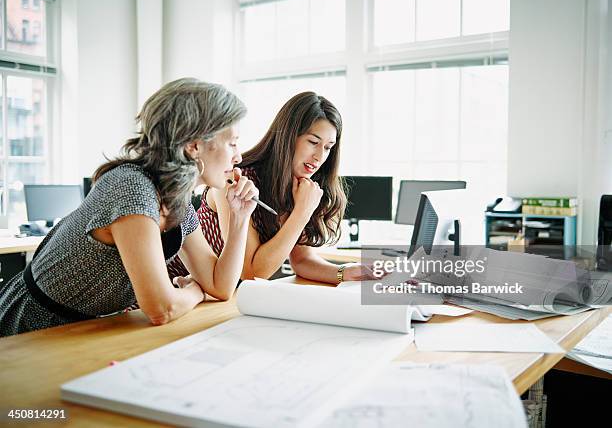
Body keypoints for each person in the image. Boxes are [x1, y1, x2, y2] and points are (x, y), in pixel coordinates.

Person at [0, 78, 258, 336]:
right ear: (194, 145)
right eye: (232, 143)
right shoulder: (133, 189)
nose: (238, 157)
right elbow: (162, 308)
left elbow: (220, 286)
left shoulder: (177, 202)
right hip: (29, 324)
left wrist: (239, 218)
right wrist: (192, 292)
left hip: (87, 328)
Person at [168, 91, 379, 285]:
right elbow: (250, 272)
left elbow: (302, 260)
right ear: (288, 137)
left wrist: (345, 272)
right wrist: (301, 213)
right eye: (313, 142)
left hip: (224, 297)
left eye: (327, 148)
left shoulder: (302, 188)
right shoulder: (236, 181)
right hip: (177, 287)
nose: (319, 157)